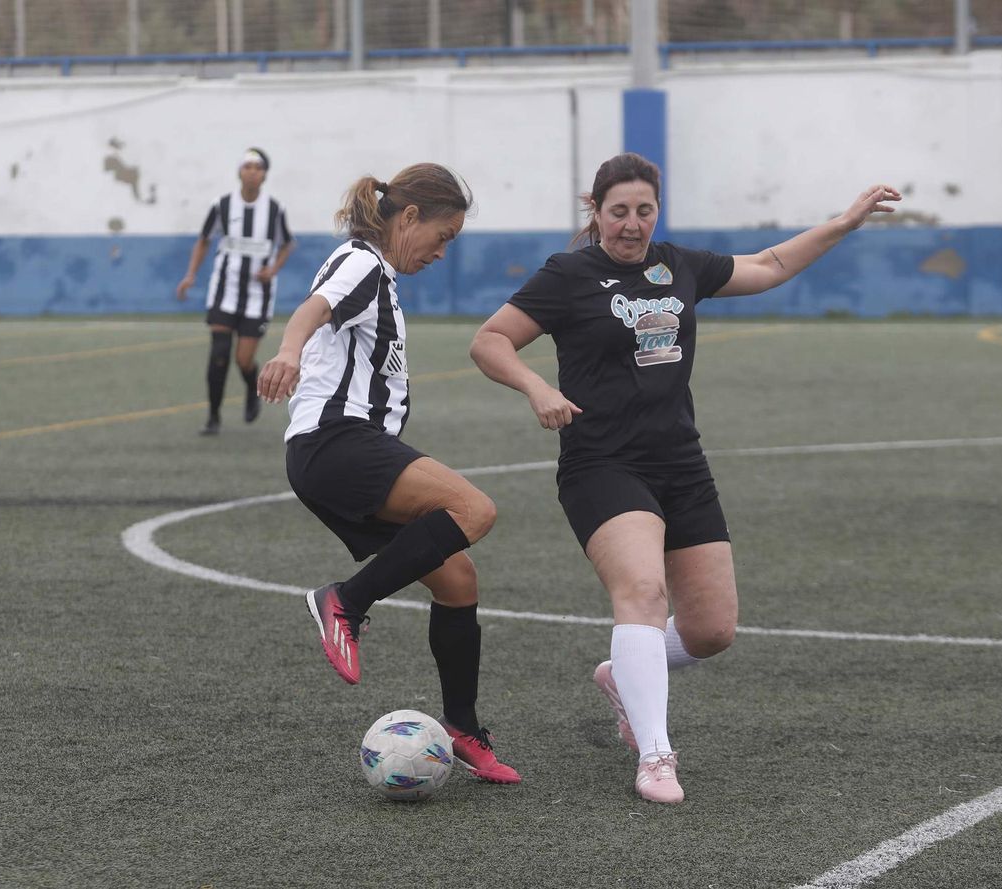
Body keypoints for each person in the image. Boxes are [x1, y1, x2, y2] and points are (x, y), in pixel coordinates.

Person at [469, 152, 900, 803]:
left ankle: (624, 674)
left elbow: (771, 265)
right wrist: (535, 386)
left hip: (680, 462)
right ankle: (656, 753)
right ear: (596, 210)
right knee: (642, 592)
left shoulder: (681, 266)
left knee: (711, 630)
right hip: (602, 464)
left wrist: (843, 222)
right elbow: (490, 340)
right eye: (619, 212)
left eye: (645, 210)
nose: (633, 225)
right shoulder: (568, 274)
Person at [257, 163, 521, 785]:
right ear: (408, 218)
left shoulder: (381, 276)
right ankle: (342, 601)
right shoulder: (364, 263)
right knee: (473, 510)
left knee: (457, 579)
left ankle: (461, 728)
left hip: (338, 453)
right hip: (336, 444)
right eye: (444, 234)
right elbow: (312, 310)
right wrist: (288, 351)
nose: (442, 250)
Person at [177, 148, 296, 436]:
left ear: (265, 174)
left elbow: (287, 244)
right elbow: (204, 240)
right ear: (239, 171)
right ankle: (213, 416)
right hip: (224, 290)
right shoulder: (222, 205)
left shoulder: (275, 209)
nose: (252, 171)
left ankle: (251, 386)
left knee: (243, 358)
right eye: (247, 166)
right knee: (219, 353)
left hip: (257, 295)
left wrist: (273, 269)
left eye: (258, 167)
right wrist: (191, 275)